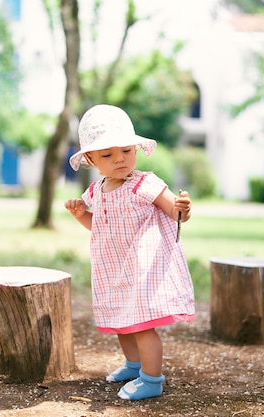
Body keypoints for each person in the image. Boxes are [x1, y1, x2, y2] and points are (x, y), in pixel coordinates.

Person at [64, 104, 195, 401]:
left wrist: (182, 208)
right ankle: (133, 365)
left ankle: (151, 379)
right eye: (108, 155)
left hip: (143, 267)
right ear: (91, 159)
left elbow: (175, 212)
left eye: (126, 150)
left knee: (142, 325)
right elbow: (98, 225)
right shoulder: (97, 191)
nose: (120, 159)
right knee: (123, 322)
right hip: (113, 266)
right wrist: (79, 215)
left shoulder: (145, 184)